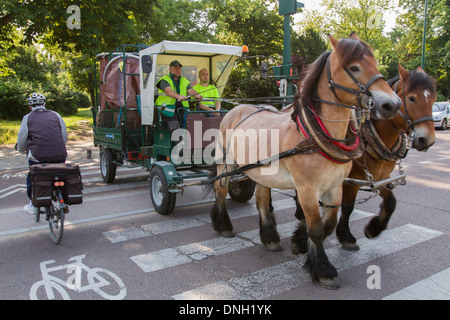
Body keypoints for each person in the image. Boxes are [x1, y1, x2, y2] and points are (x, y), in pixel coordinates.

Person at [16, 92, 67, 215]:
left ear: (30, 105)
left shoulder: (28, 118)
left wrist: (22, 150)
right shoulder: (56, 115)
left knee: (32, 177)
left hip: (38, 157)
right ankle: (62, 199)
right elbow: (63, 136)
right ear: (44, 103)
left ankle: (33, 205)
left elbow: (22, 138)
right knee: (59, 174)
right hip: (59, 155)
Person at [155, 60, 203, 136]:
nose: (177, 70)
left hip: (181, 108)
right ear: (170, 69)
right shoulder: (164, 80)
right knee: (175, 127)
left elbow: (190, 90)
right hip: (166, 109)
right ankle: (180, 145)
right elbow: (169, 92)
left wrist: (197, 95)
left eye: (179, 68)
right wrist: (178, 96)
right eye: (175, 68)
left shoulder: (184, 80)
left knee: (192, 125)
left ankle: (192, 143)